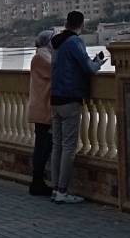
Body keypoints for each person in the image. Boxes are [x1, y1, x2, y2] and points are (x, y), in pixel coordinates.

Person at [50, 11, 106, 204]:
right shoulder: (75, 42)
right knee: (68, 147)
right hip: (70, 98)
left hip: (55, 99)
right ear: (81, 25)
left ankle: (55, 188)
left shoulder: (55, 43)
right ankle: (62, 191)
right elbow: (88, 67)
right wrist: (98, 63)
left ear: (66, 23)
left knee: (57, 145)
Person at [27, 30, 54, 196]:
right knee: (43, 147)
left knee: (43, 146)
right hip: (42, 108)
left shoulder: (43, 55)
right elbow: (55, 70)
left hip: (42, 107)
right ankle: (37, 182)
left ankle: (38, 181)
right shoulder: (41, 57)